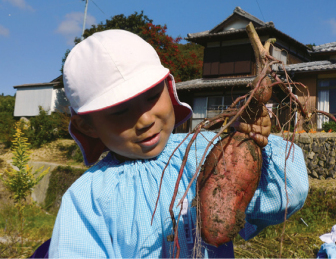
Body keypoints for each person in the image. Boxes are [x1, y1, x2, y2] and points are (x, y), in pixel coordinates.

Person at [48, 29, 309, 258]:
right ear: (87, 126)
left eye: (151, 96)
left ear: (169, 88)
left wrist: (253, 143)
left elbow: (287, 194)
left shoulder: (206, 150)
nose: (145, 119)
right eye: (119, 111)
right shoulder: (88, 198)